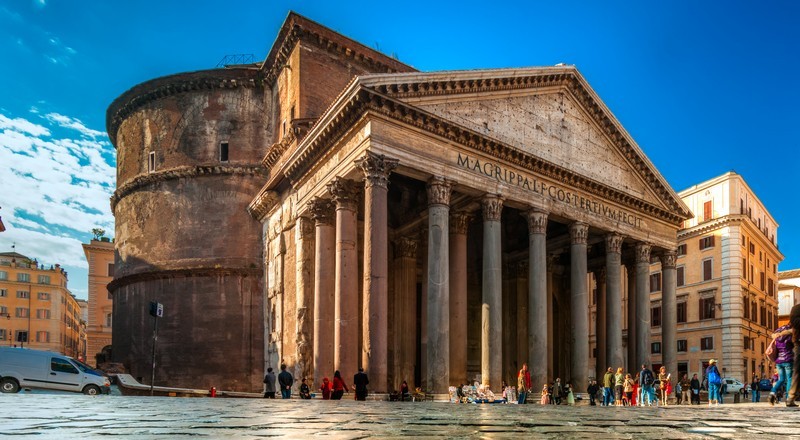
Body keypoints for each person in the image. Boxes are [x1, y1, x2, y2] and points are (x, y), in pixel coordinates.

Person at [769, 322, 795, 406]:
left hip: (778, 361)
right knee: (789, 379)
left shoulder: (778, 334)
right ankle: (788, 399)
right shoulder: (790, 334)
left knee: (781, 379)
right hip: (788, 359)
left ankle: (772, 392)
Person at [786, 303, 800, 407]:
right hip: (799, 342)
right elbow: (794, 322)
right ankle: (791, 397)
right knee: (798, 370)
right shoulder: (796, 308)